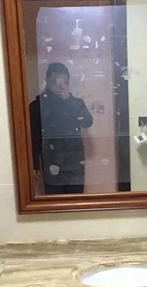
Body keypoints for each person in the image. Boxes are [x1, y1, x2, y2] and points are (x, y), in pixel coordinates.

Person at [29, 62, 93, 194]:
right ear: (47, 81)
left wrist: (68, 99)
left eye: (64, 81)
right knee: (54, 200)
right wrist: (34, 163)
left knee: (77, 200)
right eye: (55, 81)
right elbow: (34, 137)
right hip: (51, 161)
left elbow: (88, 122)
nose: (60, 85)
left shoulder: (76, 103)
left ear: (68, 82)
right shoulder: (38, 105)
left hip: (75, 162)